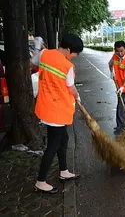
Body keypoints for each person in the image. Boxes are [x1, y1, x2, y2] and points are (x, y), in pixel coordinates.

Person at [31, 34, 83, 194]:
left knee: (64, 139)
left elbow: (33, 61)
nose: (74, 57)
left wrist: (37, 47)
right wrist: (77, 96)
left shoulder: (45, 54)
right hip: (57, 111)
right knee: (53, 146)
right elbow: (71, 88)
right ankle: (40, 181)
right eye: (74, 53)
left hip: (47, 106)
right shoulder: (67, 66)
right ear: (68, 49)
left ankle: (64, 171)